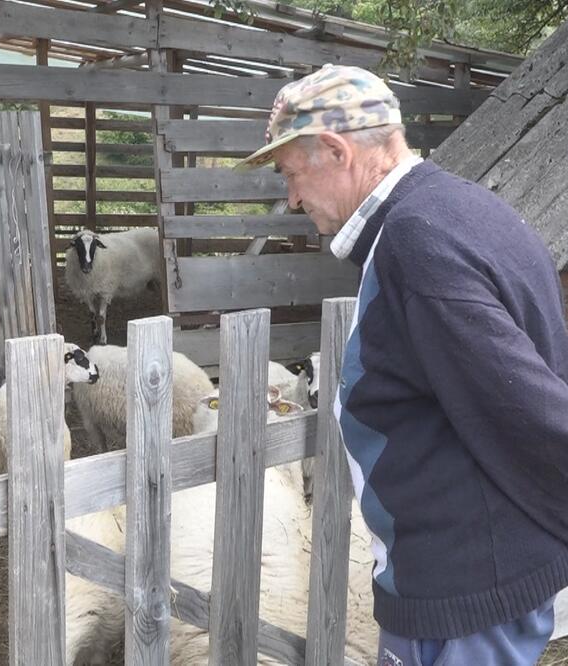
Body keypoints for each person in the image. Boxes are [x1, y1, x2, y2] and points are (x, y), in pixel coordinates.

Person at [237, 63, 568, 665]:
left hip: (464, 601)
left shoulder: (417, 244)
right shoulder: (465, 208)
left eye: (290, 174)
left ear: (335, 150)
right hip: (477, 580)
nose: (290, 198)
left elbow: (530, 412)